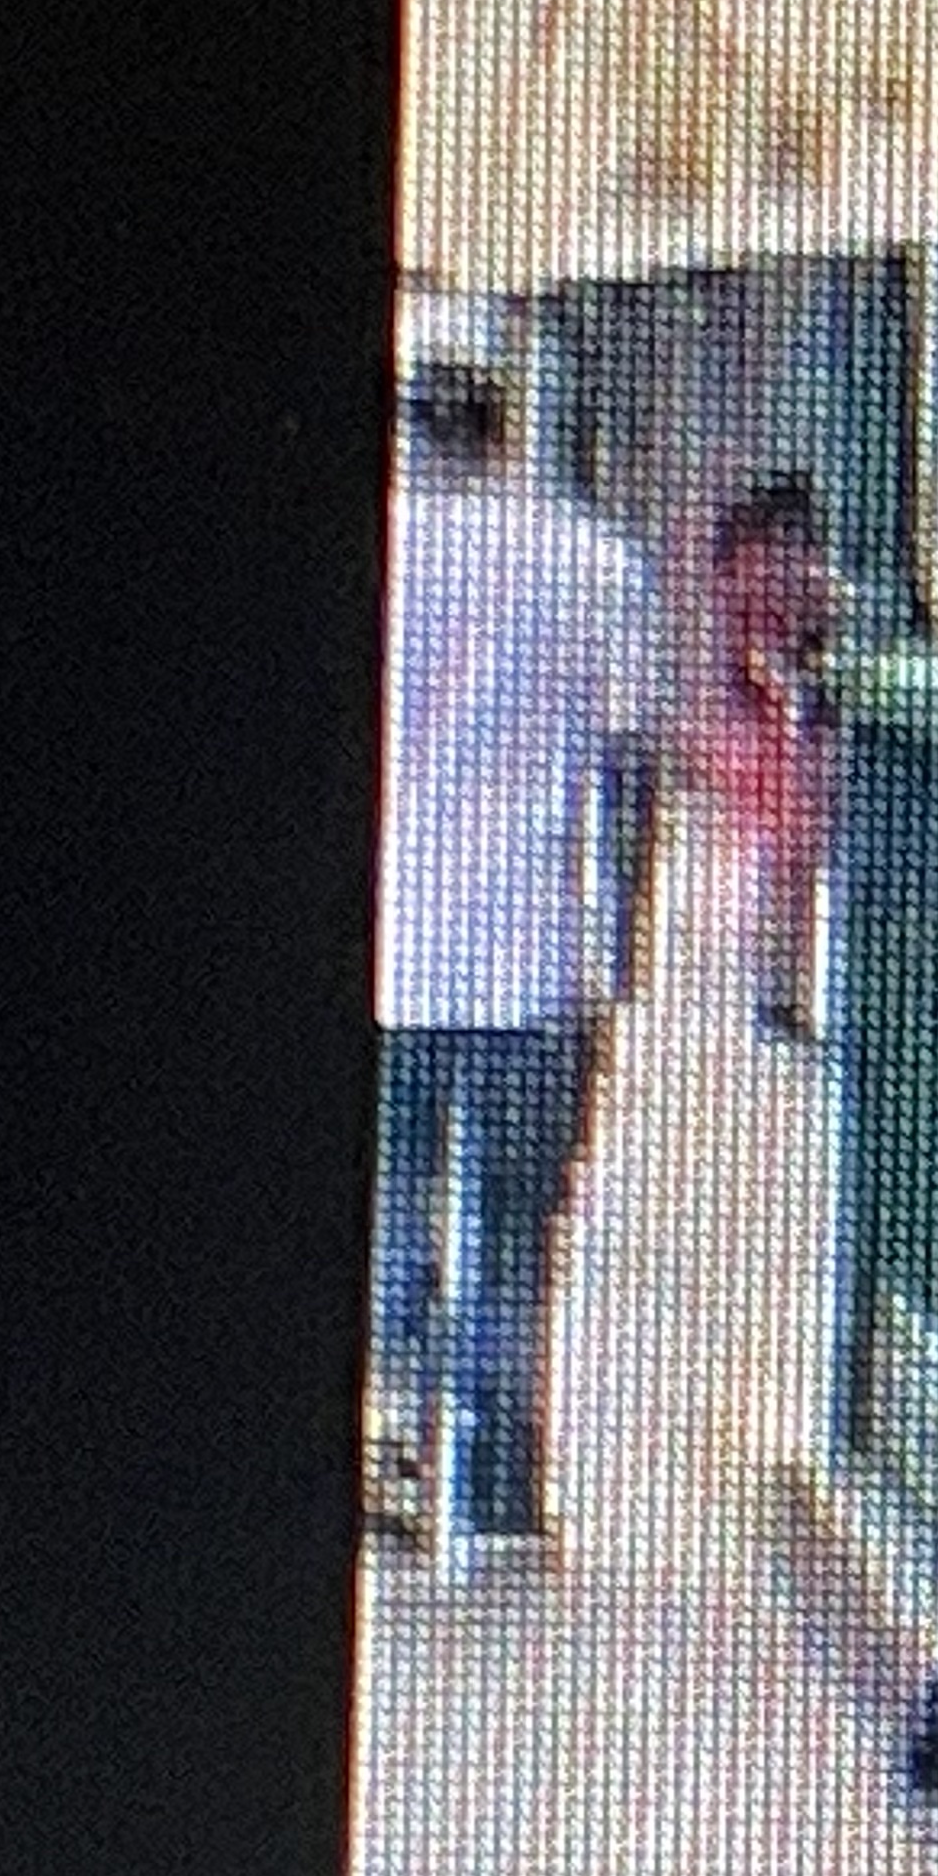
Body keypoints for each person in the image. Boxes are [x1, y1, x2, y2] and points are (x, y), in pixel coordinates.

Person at [370, 355, 668, 1545]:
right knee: (513, 1236)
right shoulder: (588, 560)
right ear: (501, 427)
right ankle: (491, 1481)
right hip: (534, 953)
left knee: (387, 1209)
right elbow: (631, 765)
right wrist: (623, 943)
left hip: (388, 950)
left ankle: (391, 1439)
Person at [705, 473, 840, 1037]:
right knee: (789, 864)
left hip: (764, 726)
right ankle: (781, 988)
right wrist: (791, 696)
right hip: (777, 729)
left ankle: (778, 987)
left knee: (784, 864)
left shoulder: (737, 574)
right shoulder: (773, 575)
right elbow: (764, 651)